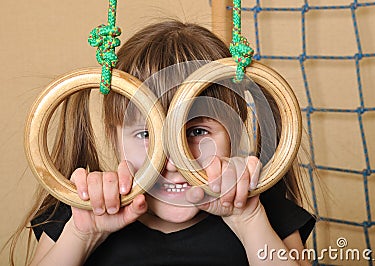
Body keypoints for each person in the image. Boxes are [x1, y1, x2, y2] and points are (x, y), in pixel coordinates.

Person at [9, 20, 315, 266]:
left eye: (196, 132)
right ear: (114, 139)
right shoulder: (78, 214)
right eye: (146, 135)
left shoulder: (262, 212)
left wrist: (247, 221)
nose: (172, 161)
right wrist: (81, 236)